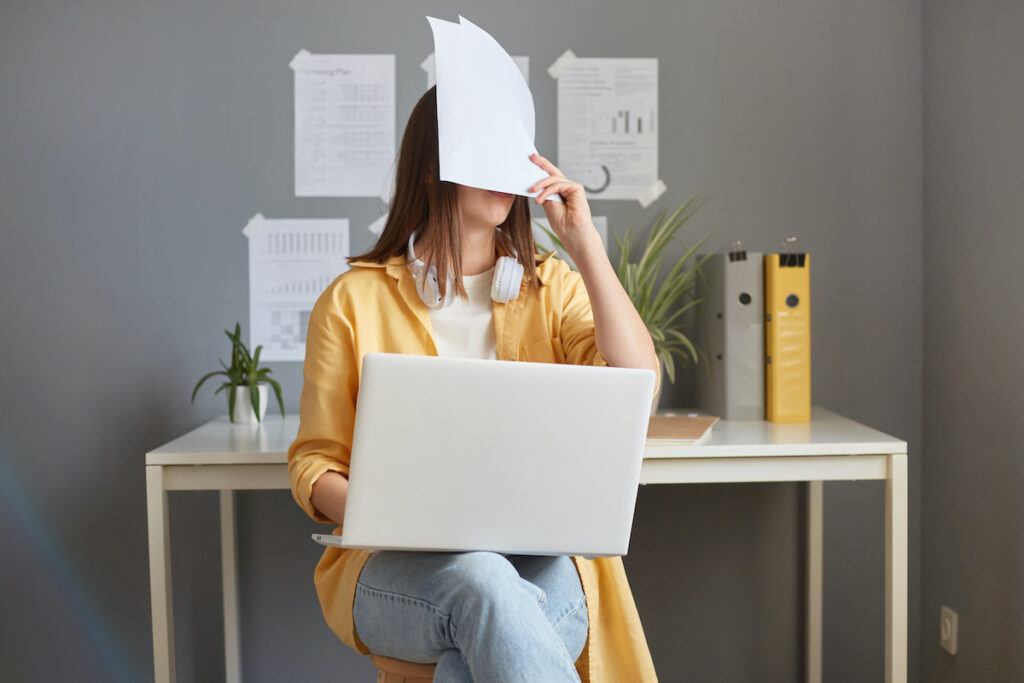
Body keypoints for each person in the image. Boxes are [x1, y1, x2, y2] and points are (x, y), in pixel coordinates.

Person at [287, 86, 661, 682]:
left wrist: (584, 243)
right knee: (482, 579)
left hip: (540, 564)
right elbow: (315, 465)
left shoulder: (554, 288)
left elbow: (639, 386)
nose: (505, 171)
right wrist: (394, 512)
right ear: (434, 165)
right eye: (484, 149)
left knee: (475, 652)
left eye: (514, 152)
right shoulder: (350, 302)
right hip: (394, 569)